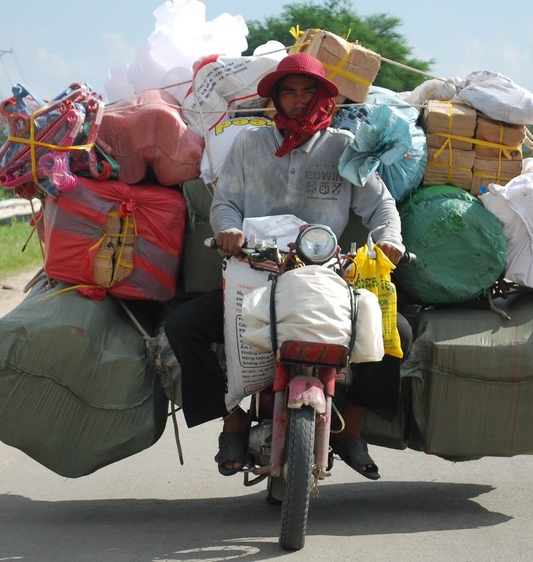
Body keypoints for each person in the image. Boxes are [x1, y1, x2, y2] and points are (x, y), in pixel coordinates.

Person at [164, 52, 411, 480]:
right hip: (257, 273)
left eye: (307, 91)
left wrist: (389, 241)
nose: (298, 100)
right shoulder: (249, 143)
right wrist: (229, 232)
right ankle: (232, 419)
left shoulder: (344, 148)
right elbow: (226, 204)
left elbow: (381, 206)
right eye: (289, 91)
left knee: (396, 332)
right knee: (184, 325)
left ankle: (351, 425)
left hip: (326, 276)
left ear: (324, 98)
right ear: (276, 99)